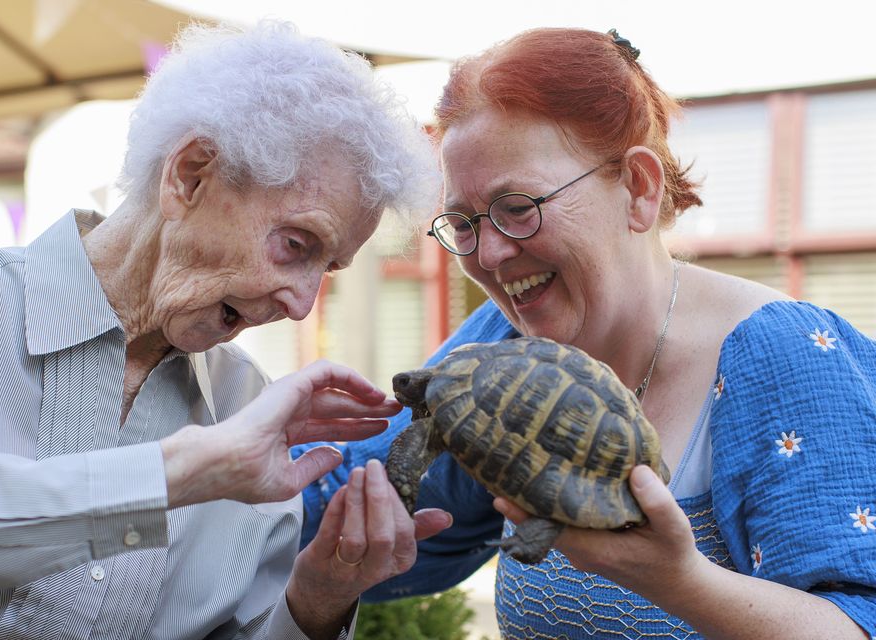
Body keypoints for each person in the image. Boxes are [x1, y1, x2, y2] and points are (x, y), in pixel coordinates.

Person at [295, 27, 876, 638]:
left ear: (639, 188)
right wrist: (211, 465)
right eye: (462, 223)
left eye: (518, 207)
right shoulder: (509, 340)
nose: (489, 253)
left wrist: (680, 580)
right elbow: (365, 500)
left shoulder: (787, 359)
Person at [0, 21, 453, 640]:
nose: (303, 304)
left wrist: (316, 598)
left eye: (327, 269)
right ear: (190, 175)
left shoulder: (245, 400)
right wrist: (184, 472)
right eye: (296, 245)